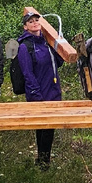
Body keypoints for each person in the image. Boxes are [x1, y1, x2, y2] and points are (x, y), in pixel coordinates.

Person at [17, 9, 63, 167]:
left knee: (50, 127)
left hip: (53, 91)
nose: (35, 23)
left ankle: (44, 160)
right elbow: (27, 73)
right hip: (38, 93)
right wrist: (36, 94)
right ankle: (43, 161)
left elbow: (59, 62)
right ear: (25, 27)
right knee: (42, 127)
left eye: (37, 20)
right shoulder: (25, 46)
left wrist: (60, 44)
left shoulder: (47, 42)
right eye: (31, 22)